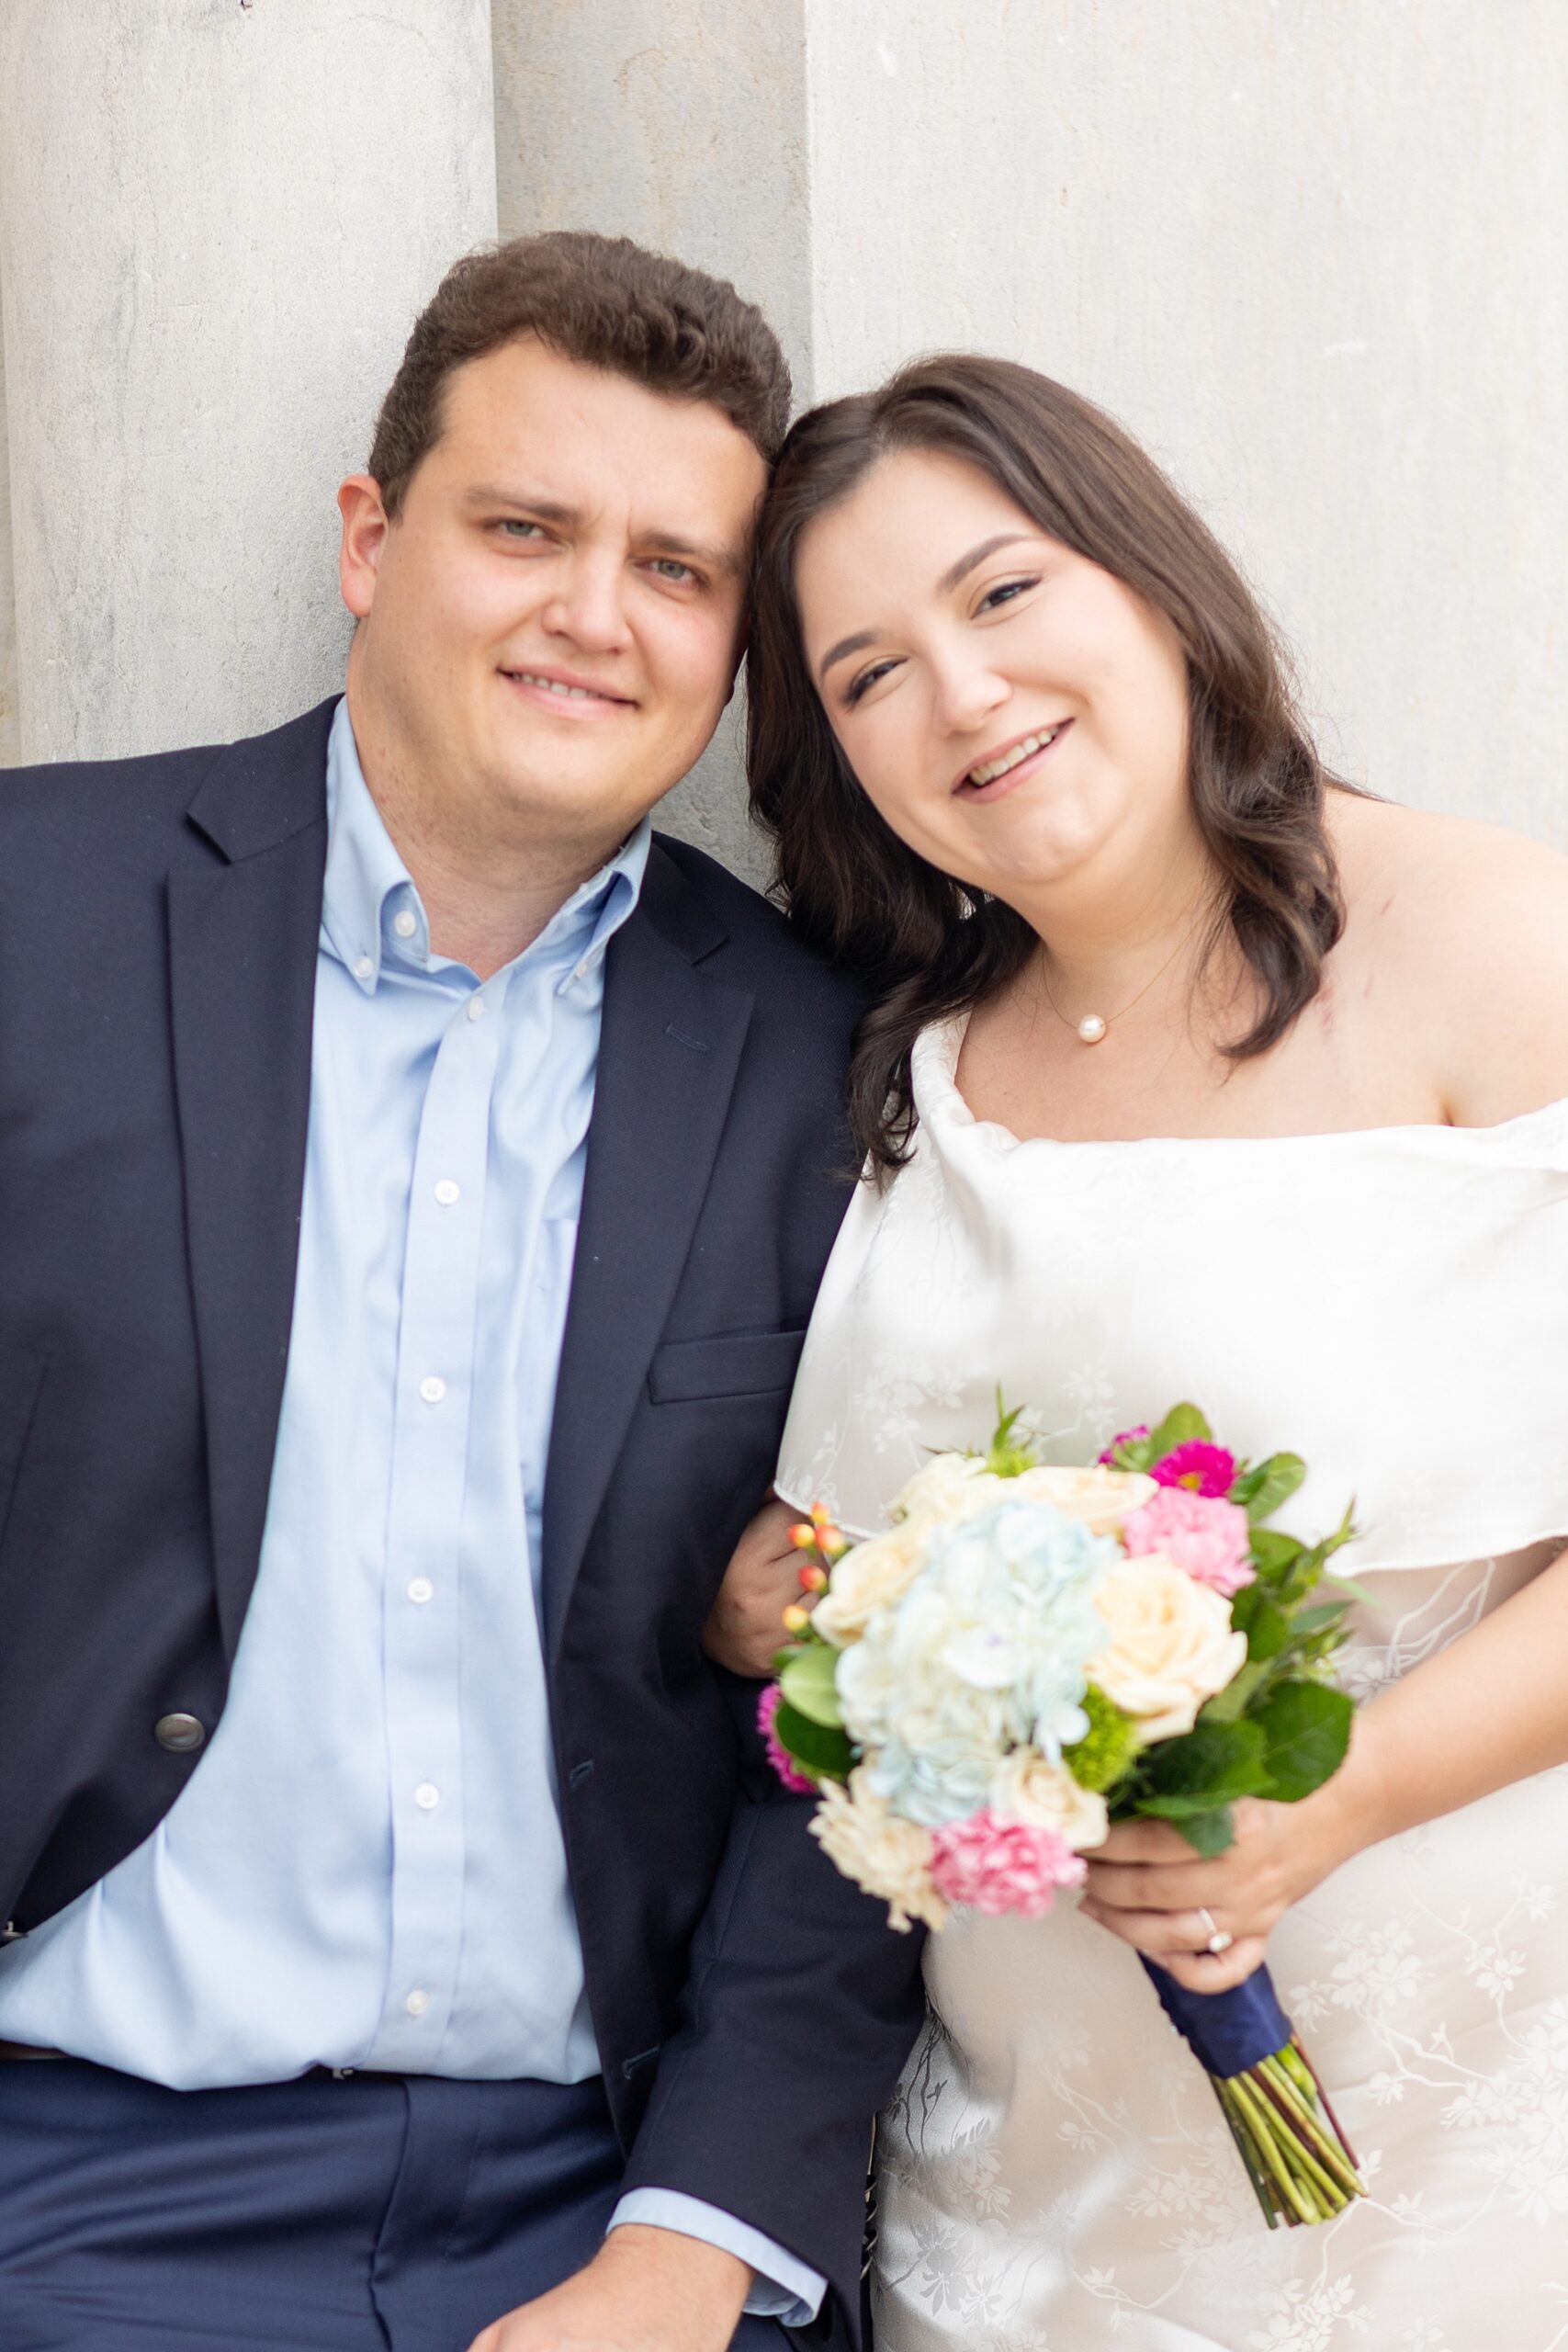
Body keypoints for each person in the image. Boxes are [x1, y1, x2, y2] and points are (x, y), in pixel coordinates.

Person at [0, 232, 925, 2352]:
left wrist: (698, 2234)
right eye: (525, 528)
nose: (594, 615)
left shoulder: (822, 1063)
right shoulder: (30, 918)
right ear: (369, 534)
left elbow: (871, 1731)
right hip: (69, 2187)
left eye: (676, 569)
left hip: (616, 2202)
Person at [705, 352, 1568, 2346]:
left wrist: (1334, 1789)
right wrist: (780, 1620)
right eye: (866, 674)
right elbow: (828, 1544)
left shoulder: (1492, 941)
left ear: (1148, 583)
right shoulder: (906, 1080)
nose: (962, 695)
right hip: (1031, 2183)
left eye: (1000, 594)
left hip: (1484, 2132)